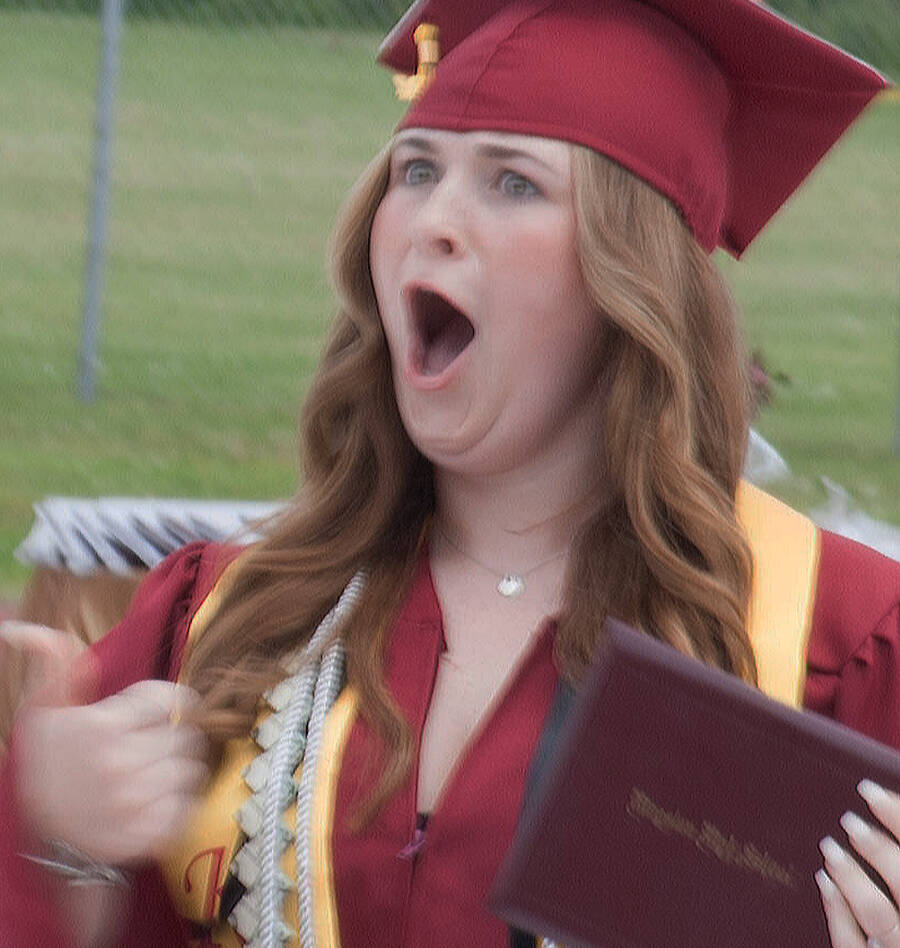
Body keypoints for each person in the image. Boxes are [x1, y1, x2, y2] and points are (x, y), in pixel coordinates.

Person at [2, 0, 898, 946]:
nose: (432, 220)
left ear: (629, 281)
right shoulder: (225, 622)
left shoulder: (832, 646)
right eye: (416, 171)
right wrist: (59, 845)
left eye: (514, 183)